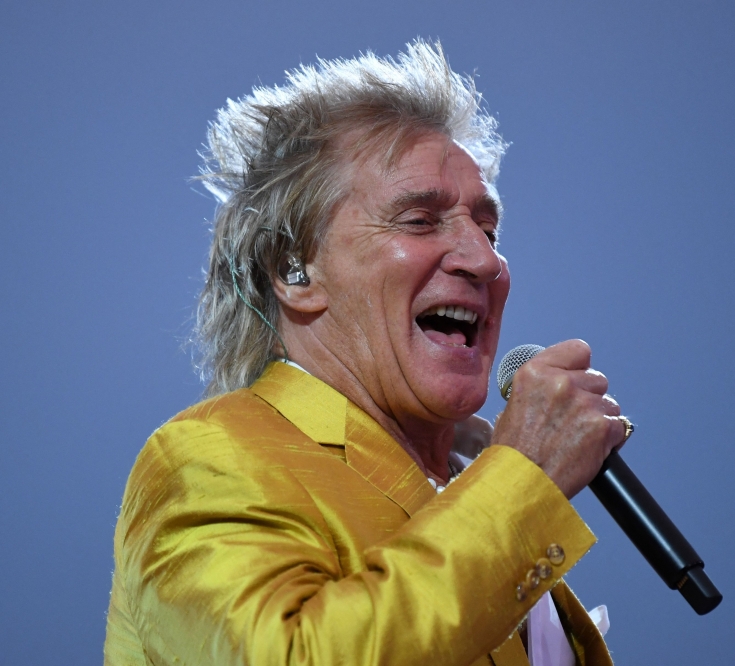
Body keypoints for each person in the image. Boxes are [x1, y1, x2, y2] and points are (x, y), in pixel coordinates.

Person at [104, 40, 629, 666]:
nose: (486, 259)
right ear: (294, 271)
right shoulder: (208, 458)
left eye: (488, 230)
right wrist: (527, 480)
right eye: (419, 220)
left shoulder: (473, 482)